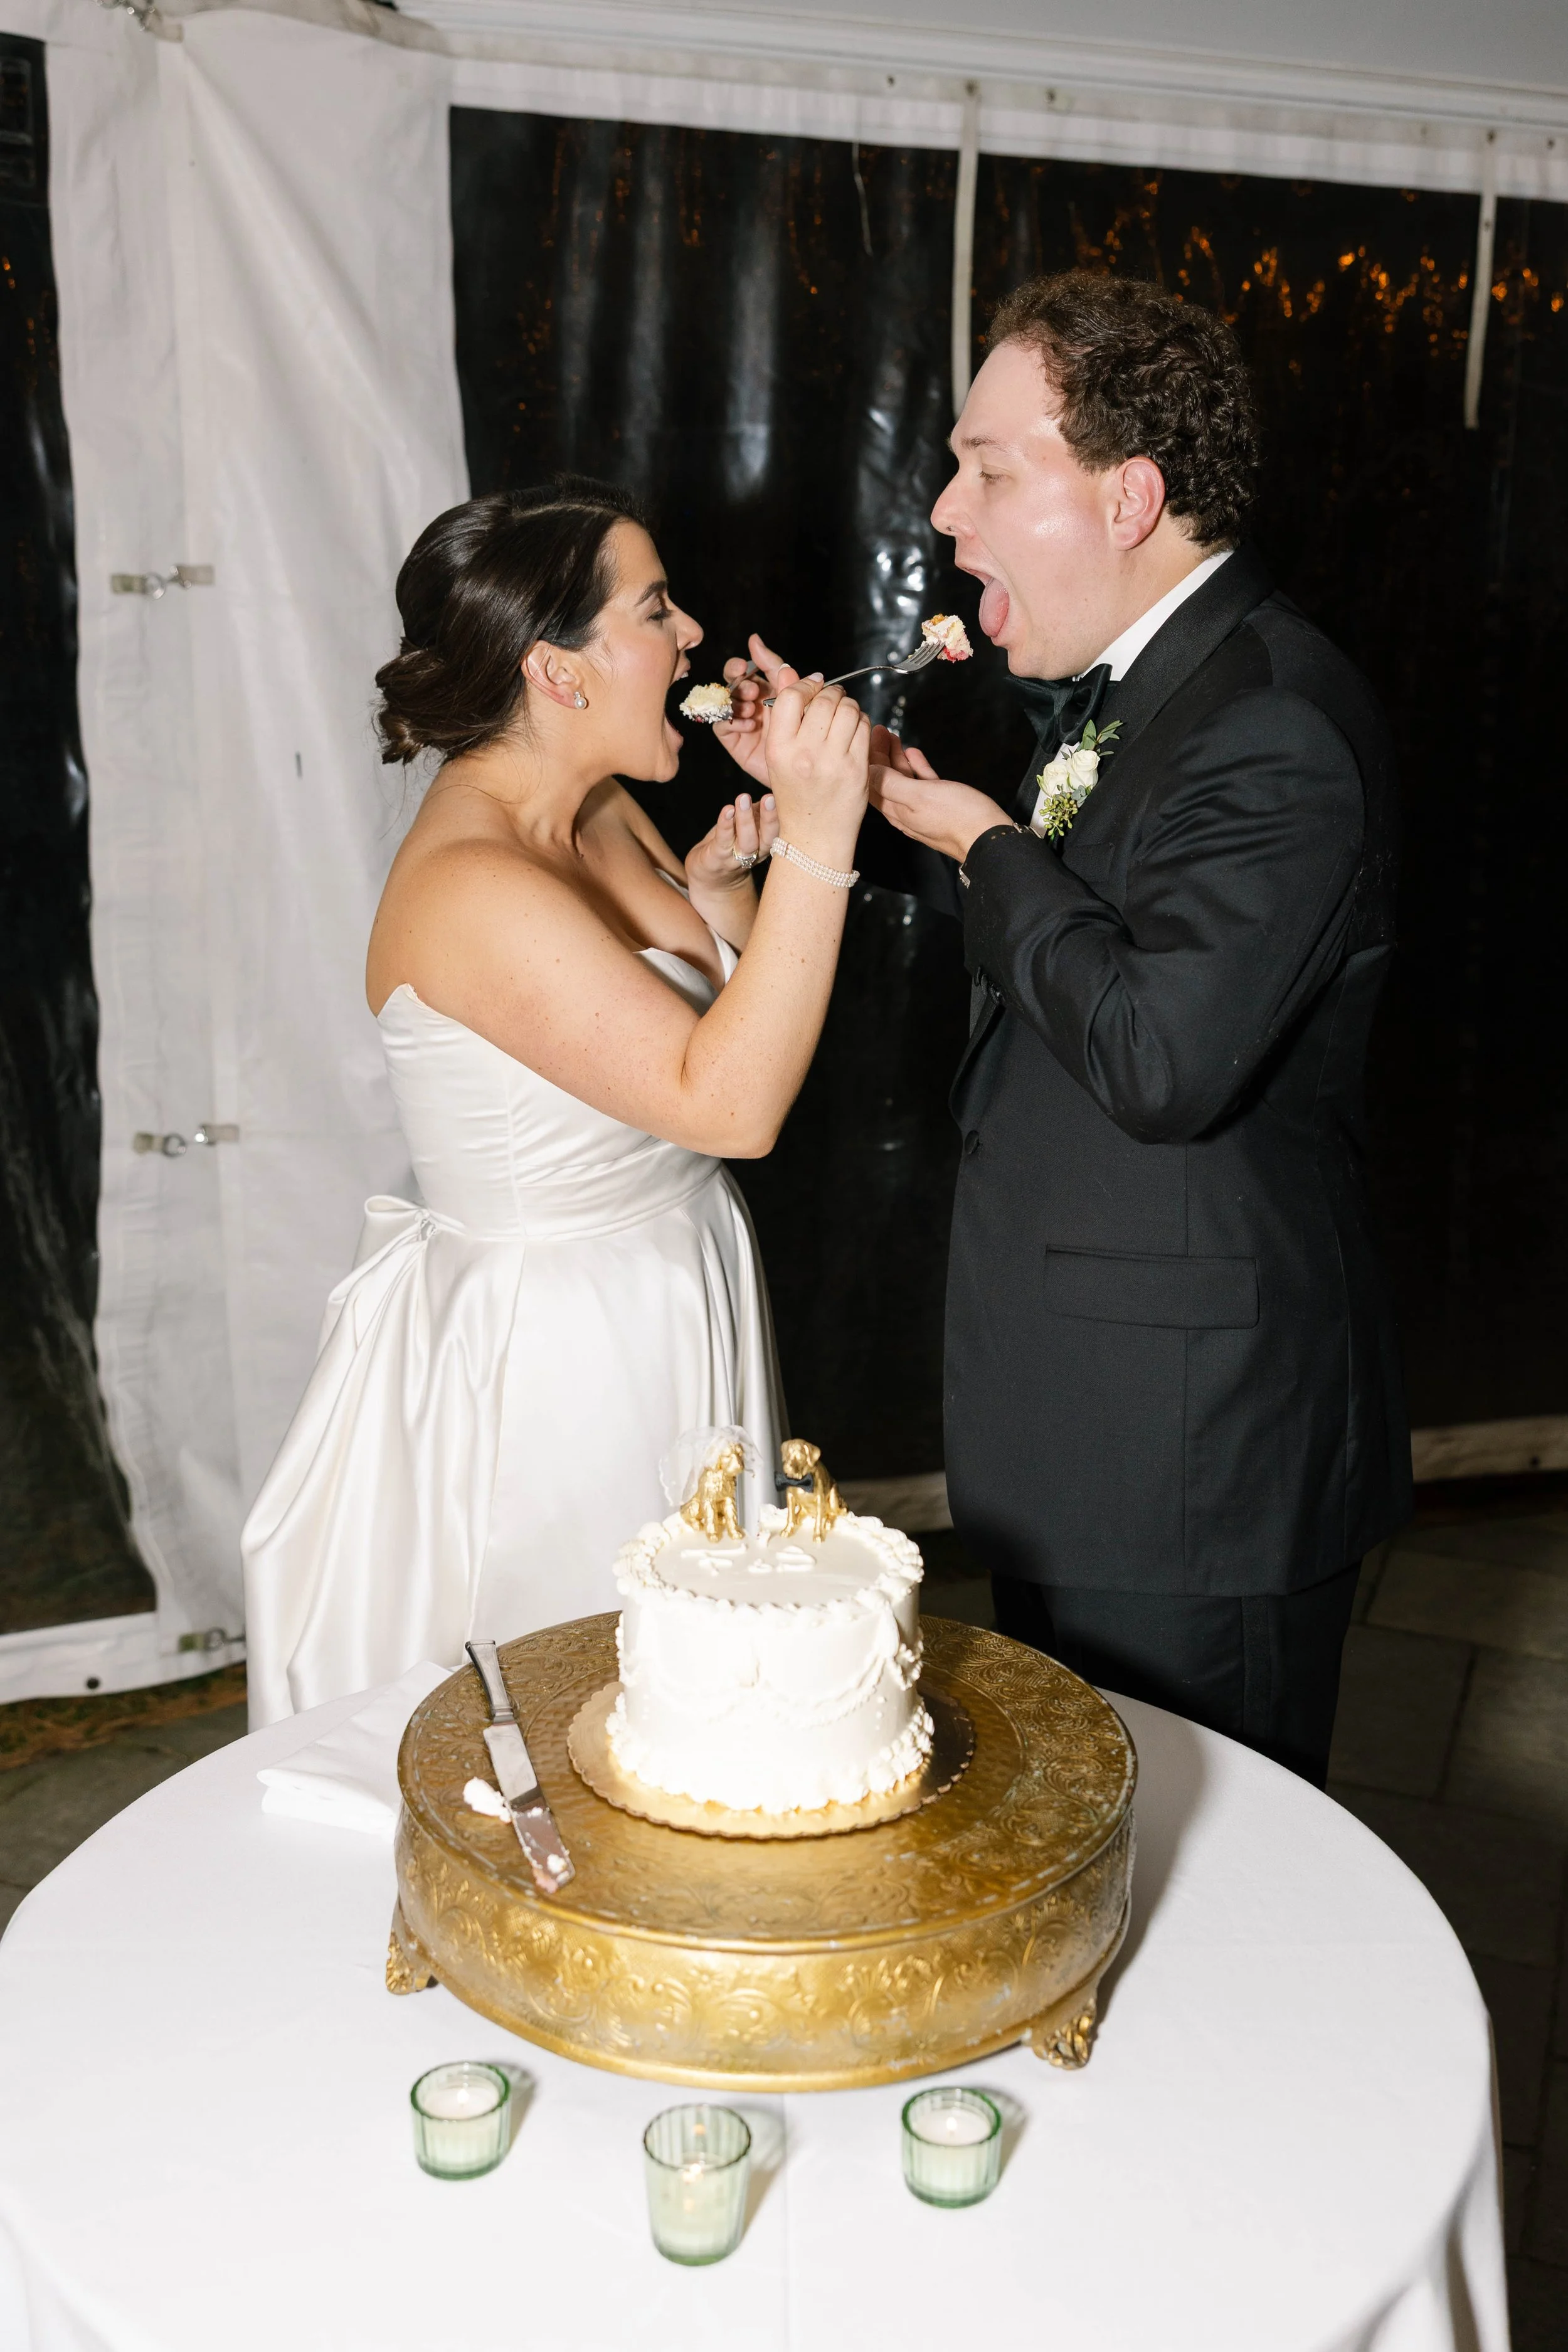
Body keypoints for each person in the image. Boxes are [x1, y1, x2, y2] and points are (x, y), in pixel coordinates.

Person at [861, 272, 1411, 1784]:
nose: (946, 516)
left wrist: (985, 851)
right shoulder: (1152, 693)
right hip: (1099, 1441)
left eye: (987, 470)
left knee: (1208, 1881)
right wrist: (931, 815)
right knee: (1087, 1841)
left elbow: (1161, 1060)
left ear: (1128, 498)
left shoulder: (1271, 724)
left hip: (1193, 1465)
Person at [242, 480, 869, 1726]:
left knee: (706, 1707)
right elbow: (730, 1106)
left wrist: (727, 905)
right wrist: (820, 834)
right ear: (558, 670)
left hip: (672, 1274)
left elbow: (708, 1033)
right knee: (591, 1705)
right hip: (564, 1360)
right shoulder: (471, 884)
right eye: (655, 609)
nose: (692, 633)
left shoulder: (594, 806)